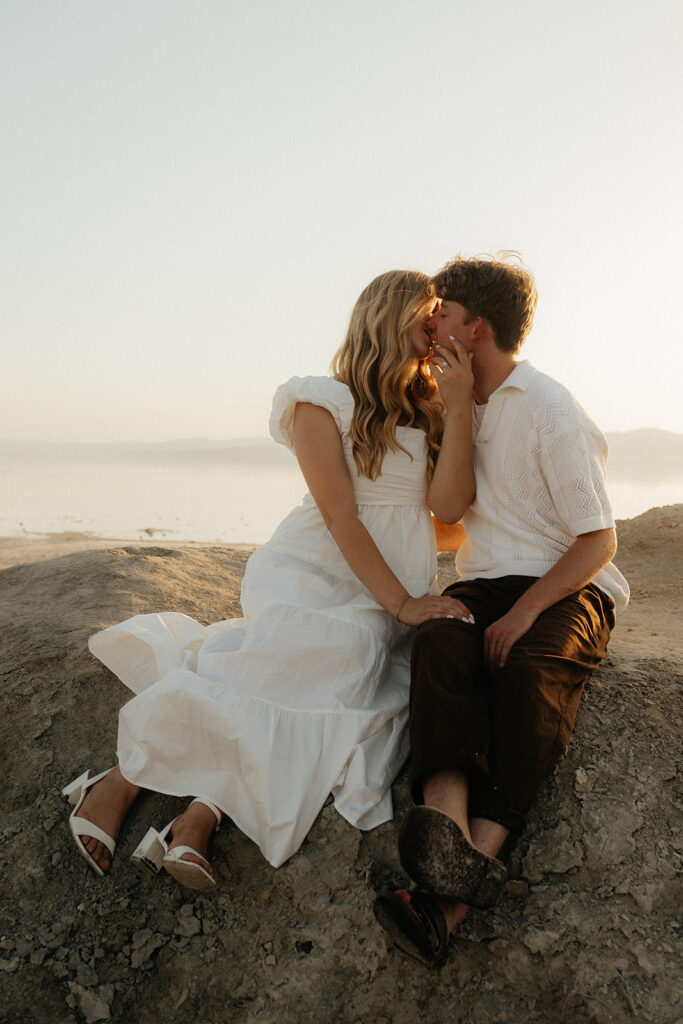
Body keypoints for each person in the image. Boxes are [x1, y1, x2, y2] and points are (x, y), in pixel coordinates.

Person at [62, 269, 476, 889]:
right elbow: (340, 516)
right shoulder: (319, 399)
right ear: (390, 315)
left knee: (346, 669)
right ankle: (122, 780)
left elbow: (448, 514)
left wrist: (462, 407)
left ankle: (203, 812)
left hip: (384, 584)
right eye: (429, 313)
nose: (437, 325)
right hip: (313, 569)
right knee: (296, 658)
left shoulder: (432, 406)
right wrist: (404, 602)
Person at [374, 254, 629, 965]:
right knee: (438, 640)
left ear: (474, 326)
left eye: (443, 315)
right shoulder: (455, 403)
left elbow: (597, 540)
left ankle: (459, 883)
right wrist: (455, 410)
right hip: (485, 580)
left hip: (566, 582)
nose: (430, 326)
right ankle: (446, 831)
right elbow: (448, 509)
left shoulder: (546, 406)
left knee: (529, 671)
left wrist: (523, 614)